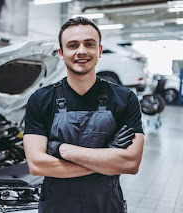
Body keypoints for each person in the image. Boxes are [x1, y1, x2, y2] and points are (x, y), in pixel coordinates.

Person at [23, 17, 145, 213]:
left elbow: (130, 163)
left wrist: (63, 150)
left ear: (99, 50)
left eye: (89, 44)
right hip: (57, 205)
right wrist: (108, 157)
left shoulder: (125, 99)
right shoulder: (40, 99)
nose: (81, 51)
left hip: (106, 204)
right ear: (62, 53)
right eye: (73, 45)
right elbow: (37, 165)